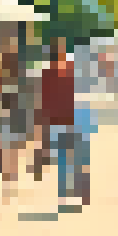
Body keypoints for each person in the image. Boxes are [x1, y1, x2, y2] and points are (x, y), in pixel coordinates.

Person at [38, 42, 80, 206]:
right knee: (65, 157)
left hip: (65, 119)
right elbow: (44, 99)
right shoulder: (51, 74)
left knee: (68, 157)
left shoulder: (65, 72)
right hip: (57, 120)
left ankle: (70, 192)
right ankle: (66, 193)